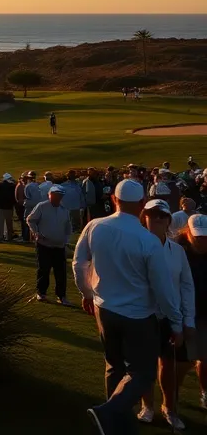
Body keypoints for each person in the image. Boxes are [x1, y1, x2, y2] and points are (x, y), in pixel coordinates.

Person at [75, 178, 182, 435]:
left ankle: (113, 422)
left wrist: (87, 293)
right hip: (138, 315)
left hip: (104, 308)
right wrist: (176, 322)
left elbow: (79, 264)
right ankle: (109, 412)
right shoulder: (148, 241)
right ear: (143, 205)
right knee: (143, 373)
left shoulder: (95, 226)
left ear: (114, 200)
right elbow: (163, 288)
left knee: (114, 365)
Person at [137, 200, 196, 430]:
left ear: (169, 220)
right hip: (144, 315)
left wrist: (187, 320)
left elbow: (186, 286)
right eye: (152, 215)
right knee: (144, 365)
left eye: (162, 215)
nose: (158, 219)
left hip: (172, 319)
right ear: (145, 218)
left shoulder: (178, 251)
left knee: (169, 366)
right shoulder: (136, 247)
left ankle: (169, 408)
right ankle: (147, 406)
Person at [176, 215, 207, 415]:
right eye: (198, 237)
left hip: (205, 313)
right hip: (184, 313)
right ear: (188, 233)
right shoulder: (177, 252)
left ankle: (205, 393)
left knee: (205, 357)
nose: (202, 241)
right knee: (183, 361)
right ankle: (173, 394)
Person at [27, 185, 73, 305]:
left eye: (60, 196)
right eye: (55, 195)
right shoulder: (42, 206)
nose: (57, 198)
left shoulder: (64, 210)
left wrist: (66, 239)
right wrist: (36, 233)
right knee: (44, 269)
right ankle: (41, 293)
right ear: (50, 195)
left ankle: (61, 296)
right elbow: (31, 220)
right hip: (44, 244)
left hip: (59, 245)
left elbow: (68, 226)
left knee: (61, 272)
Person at [24, 173, 46, 243]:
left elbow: (28, 197)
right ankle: (35, 237)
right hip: (39, 206)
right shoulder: (39, 185)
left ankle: (30, 238)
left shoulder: (28, 186)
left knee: (28, 221)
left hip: (31, 206)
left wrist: (25, 203)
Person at [1, 172, 18, 241]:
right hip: (9, 207)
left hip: (2, 206)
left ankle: (3, 235)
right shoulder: (12, 186)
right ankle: (9, 236)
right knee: (9, 223)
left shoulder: (1, 185)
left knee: (2, 223)